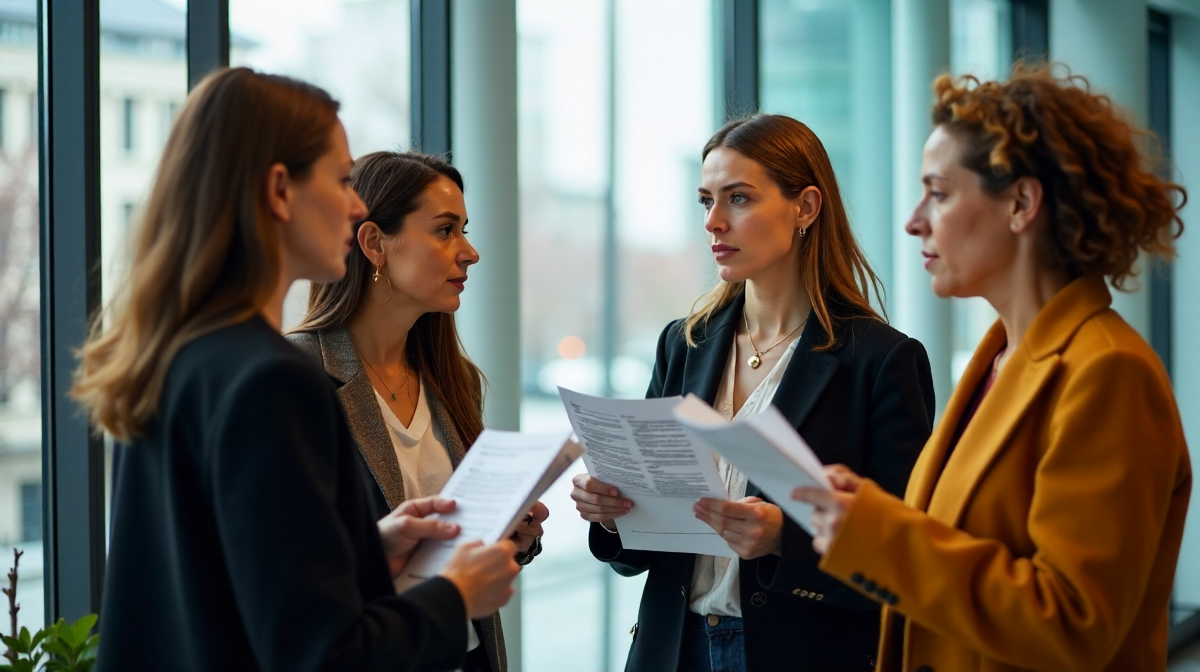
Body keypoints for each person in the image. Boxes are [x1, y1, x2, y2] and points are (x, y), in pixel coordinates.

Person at [73, 68, 520, 672]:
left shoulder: (172, 358)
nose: (356, 206)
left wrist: (367, 552)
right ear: (280, 191)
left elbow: (213, 592)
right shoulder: (274, 381)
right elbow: (322, 657)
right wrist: (456, 594)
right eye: (340, 180)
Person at [794, 65, 1192, 672]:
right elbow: (970, 544)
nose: (914, 220)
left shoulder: (1109, 371)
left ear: (1021, 204)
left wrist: (880, 537)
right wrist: (873, 514)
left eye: (939, 193)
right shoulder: (999, 360)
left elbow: (1073, 623)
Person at [570, 114, 936, 672]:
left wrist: (785, 541)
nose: (713, 222)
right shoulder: (684, 344)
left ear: (805, 207)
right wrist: (611, 514)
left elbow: (902, 559)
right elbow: (642, 551)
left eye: (737, 198)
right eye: (705, 201)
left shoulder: (882, 361)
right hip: (674, 652)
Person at [287, 150, 547, 672]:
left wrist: (508, 537)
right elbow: (289, 572)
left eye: (464, 231)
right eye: (445, 230)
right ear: (374, 244)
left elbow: (449, 547)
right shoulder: (296, 376)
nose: (470, 253)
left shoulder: (454, 378)